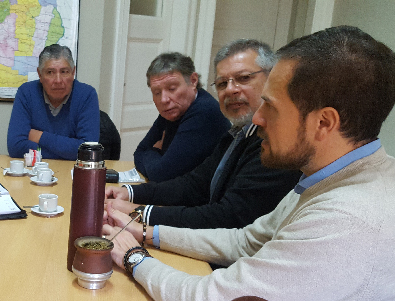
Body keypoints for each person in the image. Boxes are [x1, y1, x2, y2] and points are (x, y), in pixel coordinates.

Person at [103, 26, 395, 301]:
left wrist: (133, 257)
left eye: (272, 106)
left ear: (323, 123)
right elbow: (246, 239)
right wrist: (147, 234)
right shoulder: (334, 175)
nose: (258, 117)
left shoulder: (351, 220)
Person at [106, 40, 300, 230]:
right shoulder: (238, 133)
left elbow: (227, 217)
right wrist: (129, 192)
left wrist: (139, 212)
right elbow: (194, 185)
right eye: (223, 83)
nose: (231, 89)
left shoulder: (276, 142)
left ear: (271, 80)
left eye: (244, 78)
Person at [133, 52, 230, 182]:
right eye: (157, 92)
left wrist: (152, 152)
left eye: (172, 88)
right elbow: (139, 152)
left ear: (193, 81)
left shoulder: (205, 111)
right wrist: (157, 156)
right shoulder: (173, 108)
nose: (164, 99)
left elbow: (161, 174)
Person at [6, 44, 99, 160]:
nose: (58, 80)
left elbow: (88, 152)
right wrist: (68, 151)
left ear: (73, 72)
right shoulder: (26, 93)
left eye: (64, 72)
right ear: (40, 74)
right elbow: (15, 147)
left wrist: (41, 137)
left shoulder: (87, 95)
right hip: (34, 172)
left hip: (72, 172)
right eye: (50, 72)